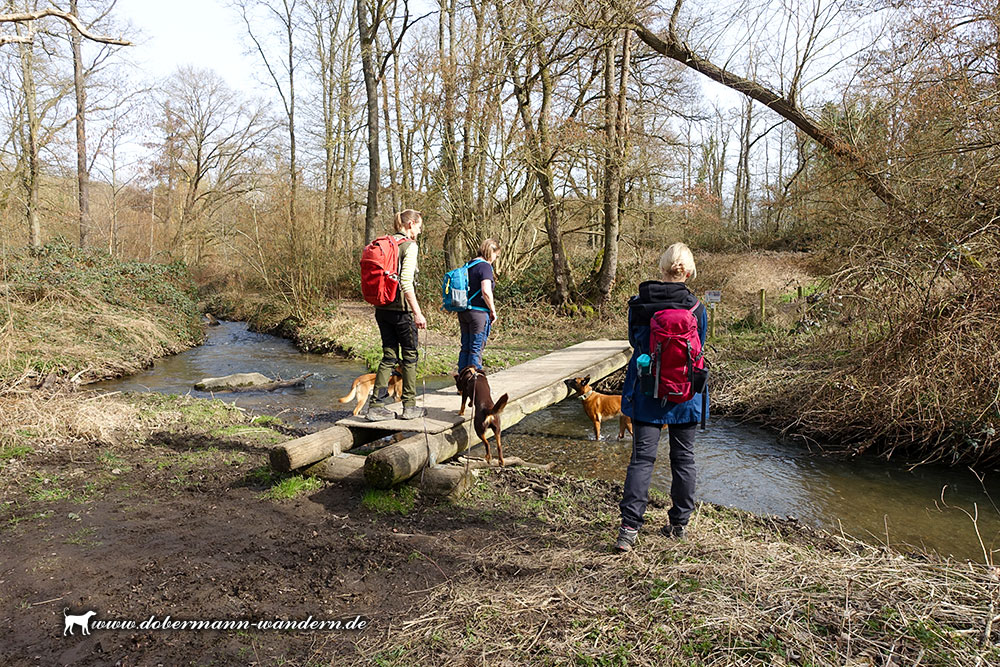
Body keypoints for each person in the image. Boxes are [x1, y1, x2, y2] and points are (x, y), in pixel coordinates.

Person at [615, 242, 708, 552]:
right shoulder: (697, 308)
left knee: (642, 459)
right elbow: (700, 345)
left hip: (647, 390)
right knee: (684, 458)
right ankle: (679, 524)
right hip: (685, 392)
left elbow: (634, 342)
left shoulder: (638, 305)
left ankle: (629, 530)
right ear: (689, 272)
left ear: (662, 268)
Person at [366, 209, 427, 421]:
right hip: (402, 312)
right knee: (410, 357)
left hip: (382, 309)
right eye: (419, 226)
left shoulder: (386, 244)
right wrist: (418, 313)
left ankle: (375, 407)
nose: (420, 231)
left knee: (389, 356)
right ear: (410, 224)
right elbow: (406, 282)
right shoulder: (409, 246)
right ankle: (409, 407)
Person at [457, 239, 500, 372]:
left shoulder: (468, 265)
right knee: (476, 349)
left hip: (464, 311)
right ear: (490, 252)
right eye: (496, 255)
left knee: (465, 348)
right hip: (479, 313)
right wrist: (493, 310)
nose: (495, 258)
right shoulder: (485, 266)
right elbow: (486, 291)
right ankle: (474, 380)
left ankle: (462, 380)